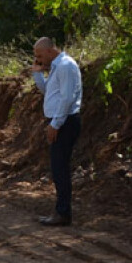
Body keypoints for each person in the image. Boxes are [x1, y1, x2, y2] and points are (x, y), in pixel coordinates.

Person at [30, 37, 82, 226]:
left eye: (39, 55)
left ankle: (63, 214)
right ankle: (61, 212)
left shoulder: (65, 66)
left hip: (65, 121)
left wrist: (56, 124)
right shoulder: (57, 66)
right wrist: (37, 73)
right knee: (58, 168)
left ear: (50, 51)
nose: (38, 59)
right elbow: (48, 91)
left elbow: (67, 98)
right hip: (60, 120)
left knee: (60, 168)